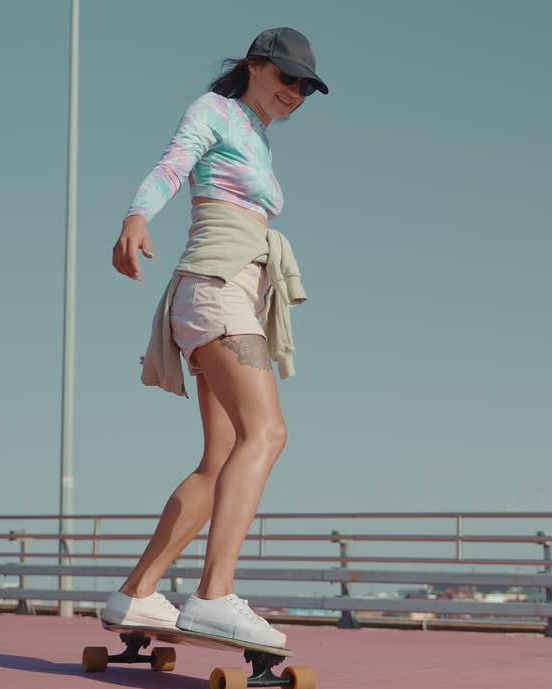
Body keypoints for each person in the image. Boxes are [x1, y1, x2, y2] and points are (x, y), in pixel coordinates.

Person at [102, 27, 328, 648]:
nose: (296, 92)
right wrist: (136, 215)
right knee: (269, 432)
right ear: (255, 66)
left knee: (222, 458)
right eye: (287, 77)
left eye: (305, 86)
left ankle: (138, 593)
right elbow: (173, 163)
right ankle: (215, 595)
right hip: (218, 288)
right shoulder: (216, 111)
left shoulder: (255, 135)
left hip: (233, 293)